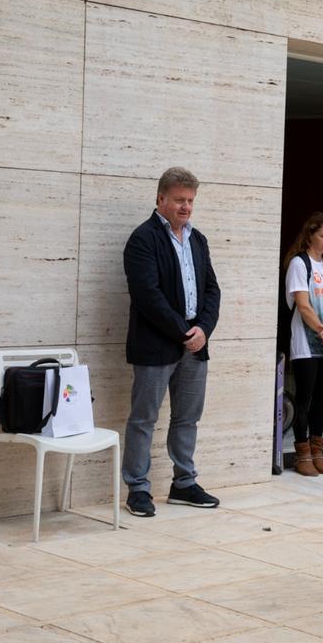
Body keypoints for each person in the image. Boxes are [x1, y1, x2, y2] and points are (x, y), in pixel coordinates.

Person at [122, 167, 221, 517]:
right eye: (179, 199)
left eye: (190, 200)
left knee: (187, 418)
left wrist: (203, 330)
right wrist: (185, 333)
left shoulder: (198, 239)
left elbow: (212, 290)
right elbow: (147, 296)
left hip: (196, 343)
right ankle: (138, 488)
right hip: (157, 344)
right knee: (143, 418)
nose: (186, 207)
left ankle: (183, 484)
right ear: (160, 198)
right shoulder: (143, 239)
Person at [283, 213, 323, 478]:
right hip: (307, 344)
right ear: (310, 235)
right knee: (305, 398)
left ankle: (318, 450)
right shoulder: (300, 263)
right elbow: (304, 305)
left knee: (322, 398)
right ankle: (302, 454)